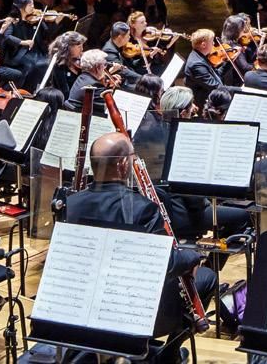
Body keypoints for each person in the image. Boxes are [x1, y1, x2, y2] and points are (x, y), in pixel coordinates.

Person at [65, 132, 214, 363]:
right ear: (124, 164)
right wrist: (193, 256)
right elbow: (165, 264)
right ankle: (168, 355)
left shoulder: (71, 203)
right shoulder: (142, 208)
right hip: (131, 310)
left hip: (82, 302)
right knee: (207, 277)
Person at [183, 30, 224, 108]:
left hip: (211, 96)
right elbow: (215, 86)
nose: (214, 44)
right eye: (212, 41)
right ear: (204, 45)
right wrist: (239, 90)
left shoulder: (200, 56)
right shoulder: (196, 64)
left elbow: (217, 75)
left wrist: (229, 62)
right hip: (206, 104)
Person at [46, 30, 86, 97]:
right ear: (69, 47)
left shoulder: (79, 61)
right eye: (79, 47)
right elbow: (65, 92)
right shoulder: (58, 66)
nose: (82, 49)